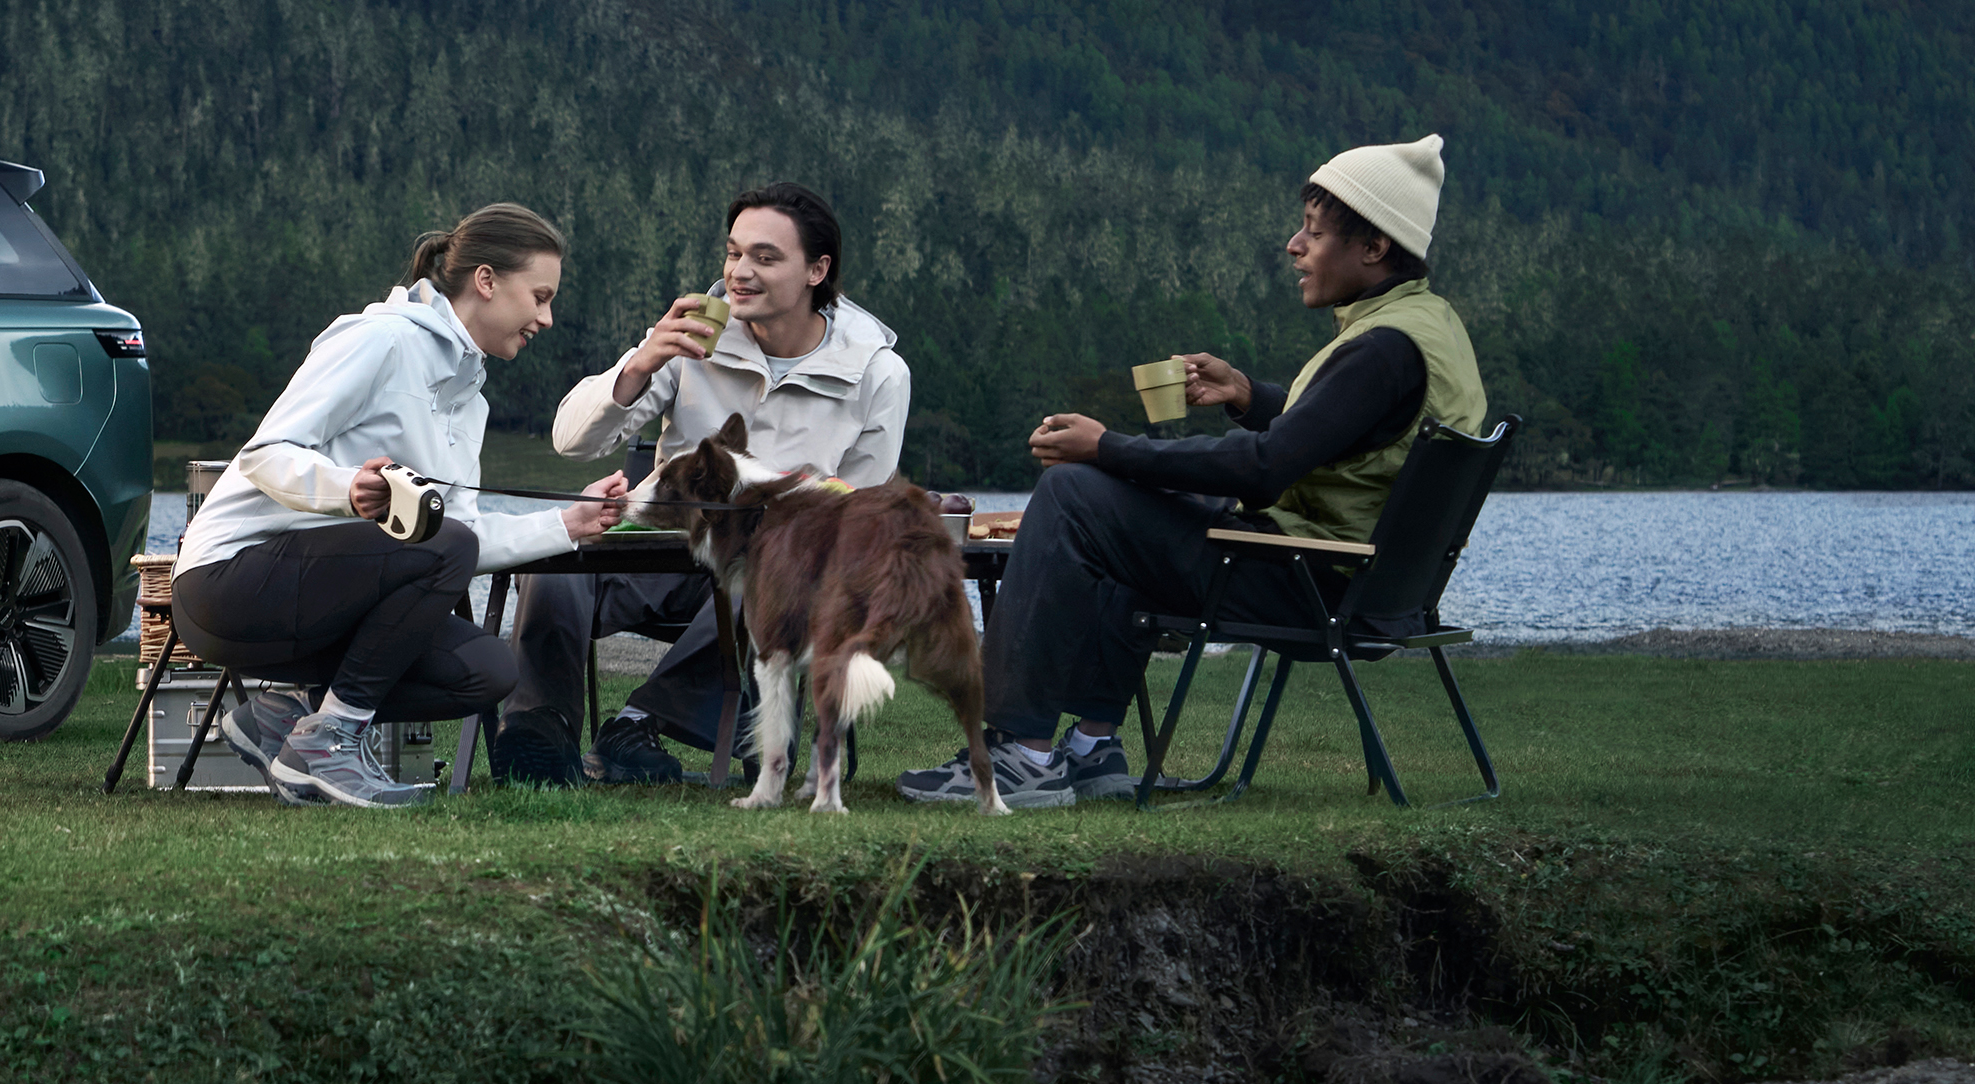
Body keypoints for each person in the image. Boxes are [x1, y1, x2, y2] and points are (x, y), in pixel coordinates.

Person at [900, 135, 1489, 810]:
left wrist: (1106, 448)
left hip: (1309, 582)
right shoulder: (1425, 328)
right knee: (1131, 501)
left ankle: (1020, 754)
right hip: (1364, 585)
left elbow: (1264, 470)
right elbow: (1339, 432)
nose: (1294, 246)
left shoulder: (1382, 350)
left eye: (1314, 233)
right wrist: (1246, 394)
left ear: (1374, 247)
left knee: (1072, 496)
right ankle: (1093, 749)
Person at [170, 204, 629, 807]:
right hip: (227, 583)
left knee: (487, 670)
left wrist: (571, 522)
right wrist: (345, 489)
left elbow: (457, 537)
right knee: (446, 546)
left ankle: (286, 720)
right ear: (486, 282)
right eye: (539, 296)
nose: (546, 317)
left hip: (320, 606)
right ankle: (327, 745)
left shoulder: (471, 402)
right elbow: (264, 453)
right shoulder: (379, 339)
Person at [511, 181, 913, 785]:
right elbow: (573, 441)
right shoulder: (693, 333)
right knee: (555, 555)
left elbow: (860, 513)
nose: (739, 273)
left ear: (816, 269)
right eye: (733, 253)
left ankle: (637, 724)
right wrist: (642, 362)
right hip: (661, 551)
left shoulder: (876, 372)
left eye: (765, 257)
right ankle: (541, 734)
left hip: (767, 575)